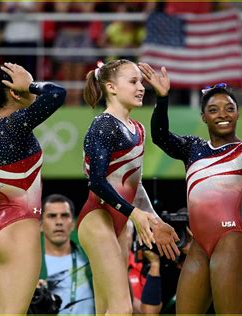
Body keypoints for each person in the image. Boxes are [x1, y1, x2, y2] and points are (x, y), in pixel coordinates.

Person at [141, 61, 242, 314]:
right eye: (213, 109)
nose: (222, 114)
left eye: (229, 108)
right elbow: (160, 136)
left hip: (230, 239)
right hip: (198, 244)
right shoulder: (193, 149)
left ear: (238, 113)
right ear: (203, 116)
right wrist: (162, 97)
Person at [0, 62, 66, 314]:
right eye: (27, 86)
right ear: (14, 92)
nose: (33, 92)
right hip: (19, 227)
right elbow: (57, 93)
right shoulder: (13, 124)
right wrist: (29, 85)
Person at [76, 59, 180, 315]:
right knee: (122, 308)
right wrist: (133, 213)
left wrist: (156, 221)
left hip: (121, 224)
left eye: (141, 82)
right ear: (111, 87)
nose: (141, 87)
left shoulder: (138, 129)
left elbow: (135, 184)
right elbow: (97, 182)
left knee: (106, 308)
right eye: (133, 81)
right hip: (97, 218)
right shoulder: (102, 125)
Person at [39, 194, 95, 315]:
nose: (59, 222)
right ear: (41, 225)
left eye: (64, 216)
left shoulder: (91, 259)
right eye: (52, 216)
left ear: (73, 224)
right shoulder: (29, 266)